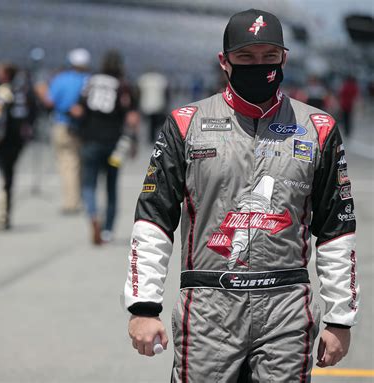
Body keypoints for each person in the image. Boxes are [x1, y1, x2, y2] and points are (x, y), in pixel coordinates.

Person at [123, 9, 359, 382]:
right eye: (246, 57)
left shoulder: (318, 128)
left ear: (284, 58)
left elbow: (336, 229)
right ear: (225, 61)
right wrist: (143, 306)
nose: (259, 65)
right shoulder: (186, 123)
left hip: (287, 306)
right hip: (208, 305)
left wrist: (340, 318)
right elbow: (153, 217)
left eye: (268, 56)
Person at [72, 50, 139, 245]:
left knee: (88, 184)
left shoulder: (91, 81)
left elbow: (78, 110)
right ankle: (108, 230)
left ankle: (93, 215)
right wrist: (133, 142)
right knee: (111, 186)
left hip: (90, 139)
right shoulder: (124, 85)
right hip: (114, 144)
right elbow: (132, 118)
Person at [0, 62, 33, 230]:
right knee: (9, 179)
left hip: (2, 143)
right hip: (16, 141)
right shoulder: (19, 92)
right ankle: (5, 215)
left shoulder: (2, 93)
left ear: (5, 74)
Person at [48, 48, 91, 214]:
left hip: (63, 124)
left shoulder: (61, 79)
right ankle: (79, 197)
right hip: (83, 127)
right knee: (78, 163)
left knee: (67, 164)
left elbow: (50, 101)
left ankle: (71, 202)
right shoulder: (89, 80)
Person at [137, 69, 169, 143]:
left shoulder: (143, 79)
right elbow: (166, 93)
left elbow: (138, 93)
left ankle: (151, 138)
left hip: (146, 104)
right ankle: (154, 137)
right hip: (158, 104)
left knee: (151, 123)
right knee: (155, 123)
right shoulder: (161, 79)